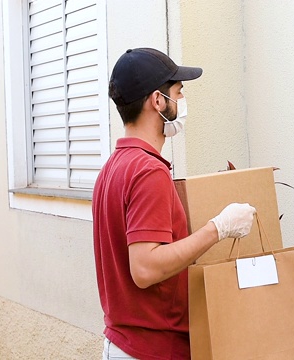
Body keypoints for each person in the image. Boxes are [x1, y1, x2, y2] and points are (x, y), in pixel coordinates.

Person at [92, 47, 256, 360]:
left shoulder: (113, 168)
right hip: (152, 349)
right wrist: (218, 228)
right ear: (157, 100)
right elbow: (144, 267)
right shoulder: (148, 170)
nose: (181, 101)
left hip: (123, 344)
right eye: (178, 93)